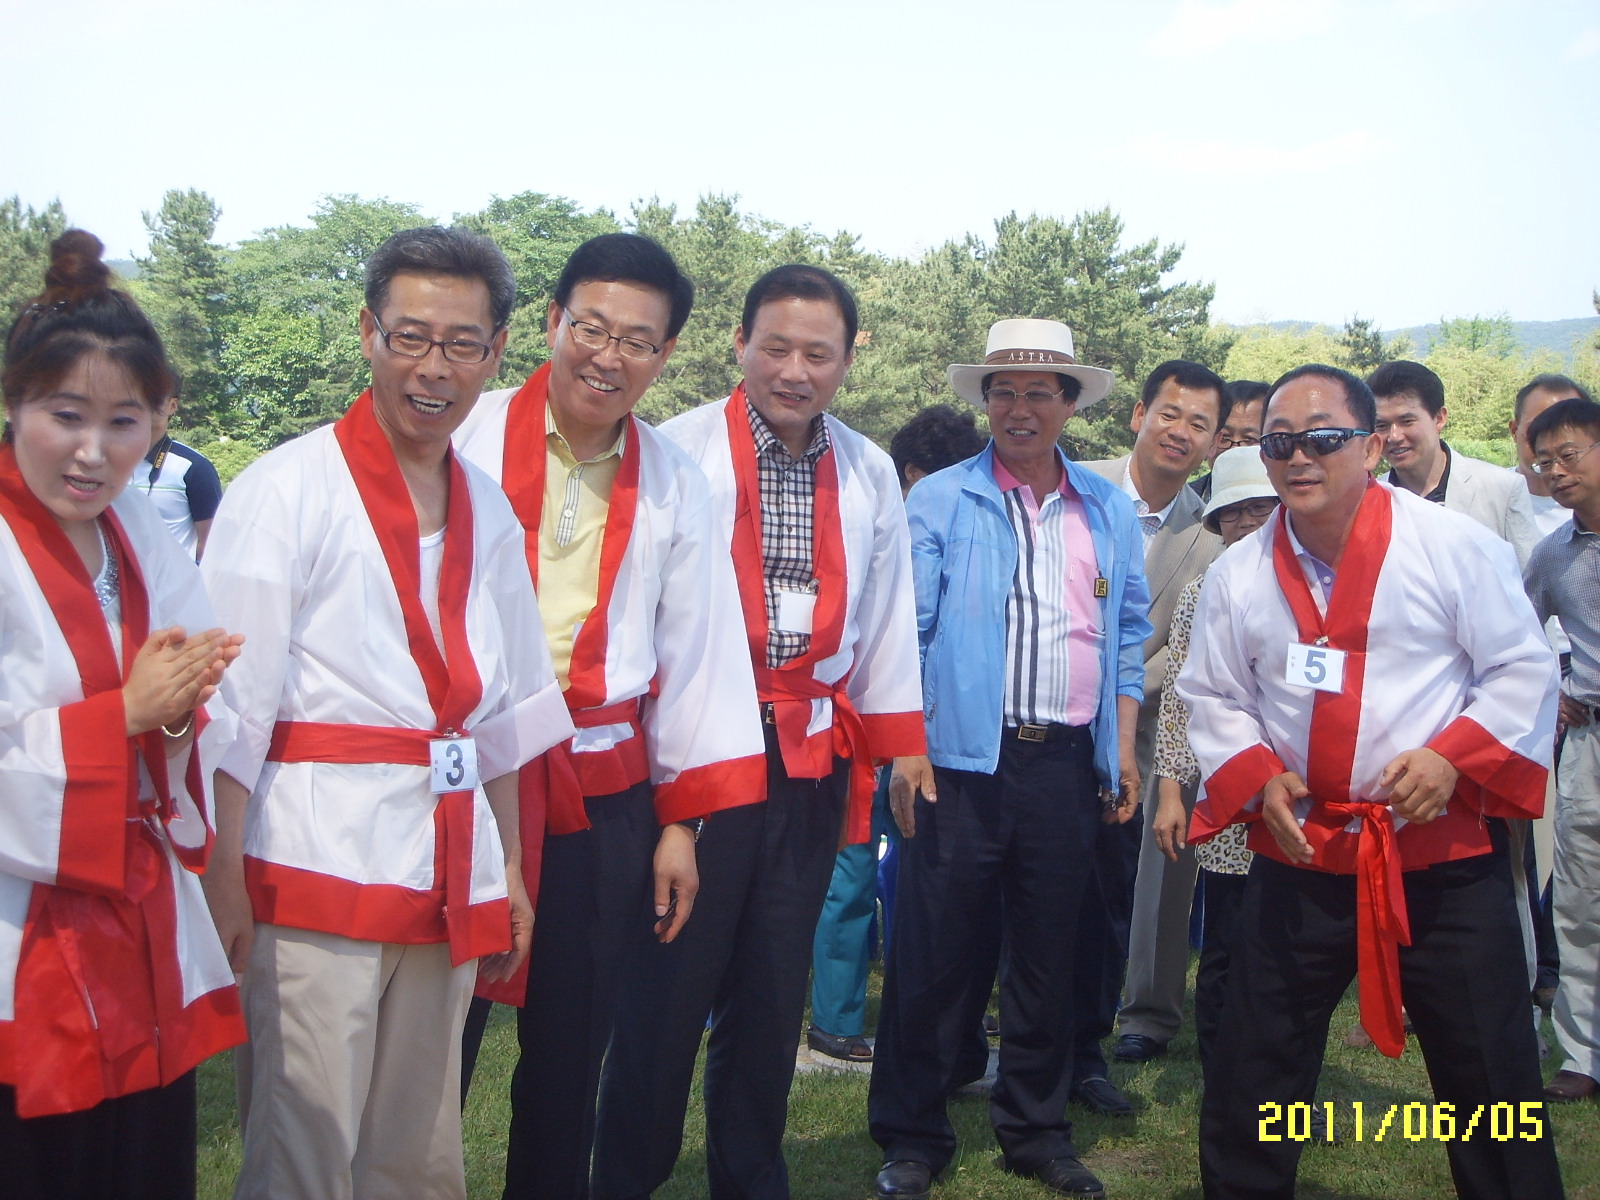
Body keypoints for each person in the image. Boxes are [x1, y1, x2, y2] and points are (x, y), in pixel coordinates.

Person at [200, 227, 574, 1200]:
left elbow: (502, 710)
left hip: (447, 857)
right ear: (367, 335)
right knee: (303, 1150)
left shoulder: (487, 508)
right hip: (314, 857)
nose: (432, 367)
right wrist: (224, 874)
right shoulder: (283, 490)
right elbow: (229, 710)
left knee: (417, 1155)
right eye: (410, 337)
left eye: (461, 344)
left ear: (496, 356)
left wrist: (512, 866)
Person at [1180, 364, 1564, 1200]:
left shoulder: (1454, 545)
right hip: (1303, 853)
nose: (1299, 457)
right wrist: (1258, 777)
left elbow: (1521, 667)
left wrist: (1450, 756)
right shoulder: (1239, 573)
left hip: (1437, 856)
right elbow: (1212, 692)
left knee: (1490, 1078)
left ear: (1373, 443)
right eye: (1279, 441)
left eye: (1324, 437)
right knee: (1255, 1067)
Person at [593, 265, 926, 1200]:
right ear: (738, 345)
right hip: (702, 749)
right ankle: (624, 1176)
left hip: (810, 756)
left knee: (774, 985)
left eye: (817, 353)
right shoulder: (672, 451)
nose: (793, 369)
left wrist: (902, 743)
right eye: (775, 348)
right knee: (666, 988)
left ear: (848, 360)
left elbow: (889, 613)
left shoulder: (864, 468)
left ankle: (750, 1175)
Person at [452, 232, 765, 1197]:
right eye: (591, 327)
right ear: (551, 323)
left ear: (666, 354)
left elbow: (700, 654)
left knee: (569, 1044)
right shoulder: (461, 435)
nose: (609, 355)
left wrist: (680, 823)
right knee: (434, 1030)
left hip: (602, 786)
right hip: (462, 779)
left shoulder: (677, 481)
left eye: (639, 339)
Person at [869, 318, 1150, 1200]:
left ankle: (1037, 1130)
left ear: (1071, 405)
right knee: (933, 954)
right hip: (958, 765)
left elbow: (1129, 633)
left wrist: (1126, 747)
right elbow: (902, 634)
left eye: (1039, 391)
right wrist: (905, 749)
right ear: (984, 401)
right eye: (1003, 390)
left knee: (1049, 956)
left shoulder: (1106, 508)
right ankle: (913, 1136)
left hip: (1066, 764)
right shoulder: (941, 499)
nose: (1019, 408)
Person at [0, 230, 245, 1199]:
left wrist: (179, 715)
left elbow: (181, 712)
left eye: (125, 420)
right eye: (67, 415)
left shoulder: (139, 530)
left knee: (138, 1155)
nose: (94, 452)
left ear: (161, 422)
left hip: (134, 906)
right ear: (16, 403)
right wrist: (125, 716)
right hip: (22, 926)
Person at [807, 402, 986, 1064]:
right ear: (911, 473)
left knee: (915, 876)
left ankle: (897, 1009)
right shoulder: (875, 532)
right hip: (863, 731)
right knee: (855, 871)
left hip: (928, 739)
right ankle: (839, 1016)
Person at [1073, 360, 1226, 1103]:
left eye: (1200, 424)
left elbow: (1190, 640)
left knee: (1162, 868)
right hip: (1054, 708)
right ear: (1139, 414)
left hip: (1157, 717)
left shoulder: (1211, 533)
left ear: (1214, 443)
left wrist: (1125, 689)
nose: (1182, 432)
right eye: (1172, 414)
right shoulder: (1075, 484)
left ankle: (1148, 1013)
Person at [1149, 445, 1278, 1077]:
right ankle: (1224, 1063)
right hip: (1232, 798)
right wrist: (1173, 791)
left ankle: (1275, 1062)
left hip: (1308, 796)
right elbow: (1178, 697)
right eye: (1234, 512)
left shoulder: (1319, 581)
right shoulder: (1203, 590)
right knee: (1228, 935)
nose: (1248, 522)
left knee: (1287, 941)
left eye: (1261, 507)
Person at [1522, 395, 1600, 1103]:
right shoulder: (1552, 554)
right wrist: (1557, 679)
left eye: (1570, 455)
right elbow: (1513, 638)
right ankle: (1581, 1054)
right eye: (1543, 461)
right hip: (1590, 743)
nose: (1556, 471)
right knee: (1580, 899)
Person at [1370, 359, 1538, 566]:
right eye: (1382, 425)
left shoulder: (1502, 488)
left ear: (1439, 418)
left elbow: (1531, 581)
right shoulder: (1371, 498)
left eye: (1407, 422)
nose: (1394, 436)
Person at [128, 379, 222, 560]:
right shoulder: (108, 459)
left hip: (173, 585)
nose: (146, 402)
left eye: (155, 395)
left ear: (172, 406)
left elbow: (212, 543)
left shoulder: (194, 467)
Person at [1189, 379, 1268, 501]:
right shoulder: (1184, 503)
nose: (1234, 450)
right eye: (1224, 438)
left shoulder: (1288, 506)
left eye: (1249, 439)